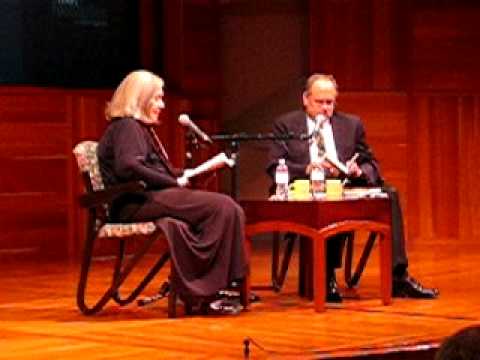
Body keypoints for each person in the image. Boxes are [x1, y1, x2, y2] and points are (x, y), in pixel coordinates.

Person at [266, 73, 439, 303]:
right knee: (332, 201)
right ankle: (326, 276)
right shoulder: (286, 125)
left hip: (343, 186)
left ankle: (397, 277)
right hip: (304, 191)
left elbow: (372, 163)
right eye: (320, 102)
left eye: (330, 102)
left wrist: (359, 171)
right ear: (306, 99)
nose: (326, 108)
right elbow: (273, 165)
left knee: (389, 194)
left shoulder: (351, 124)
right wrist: (308, 168)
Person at [97, 70, 248, 314]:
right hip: (134, 202)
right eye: (156, 98)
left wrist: (189, 173)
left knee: (226, 207)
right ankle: (204, 290)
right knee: (222, 207)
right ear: (140, 98)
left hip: (150, 197)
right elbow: (128, 166)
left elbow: (147, 168)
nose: (162, 105)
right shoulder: (127, 127)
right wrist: (174, 182)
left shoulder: (138, 128)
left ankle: (212, 286)